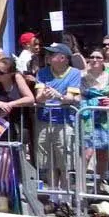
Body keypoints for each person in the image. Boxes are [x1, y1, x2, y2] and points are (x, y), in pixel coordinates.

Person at [34, 43, 83, 191]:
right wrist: (44, 96)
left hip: (64, 123)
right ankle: (53, 196)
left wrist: (58, 96)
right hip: (44, 121)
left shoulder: (74, 73)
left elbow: (71, 98)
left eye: (52, 54)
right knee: (48, 162)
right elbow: (38, 97)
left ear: (64, 58)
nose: (48, 56)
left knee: (65, 162)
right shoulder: (42, 72)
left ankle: (66, 196)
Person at [80, 48, 109, 188]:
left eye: (98, 57)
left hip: (105, 118)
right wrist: (92, 102)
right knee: (87, 153)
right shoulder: (82, 76)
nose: (95, 60)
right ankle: (81, 185)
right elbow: (78, 97)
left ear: (103, 60)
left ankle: (99, 186)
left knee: (103, 153)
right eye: (92, 57)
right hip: (88, 117)